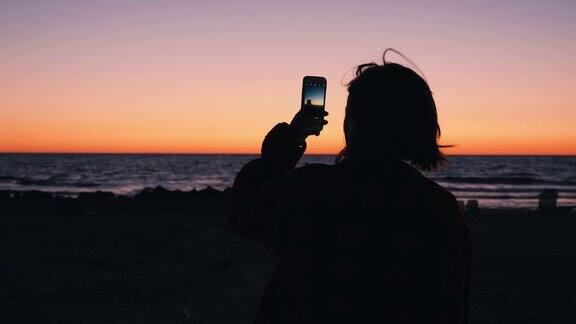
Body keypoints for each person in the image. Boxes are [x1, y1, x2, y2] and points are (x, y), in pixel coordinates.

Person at [228, 52, 473, 323]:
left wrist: (292, 138)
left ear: (353, 123)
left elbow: (247, 209)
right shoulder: (438, 209)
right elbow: (451, 304)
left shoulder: (307, 191)